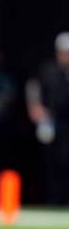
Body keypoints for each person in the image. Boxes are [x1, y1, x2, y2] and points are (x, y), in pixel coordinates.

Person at [26, 32, 69, 206]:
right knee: (51, 161)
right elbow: (33, 87)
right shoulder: (47, 70)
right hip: (51, 122)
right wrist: (34, 107)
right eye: (63, 52)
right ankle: (53, 199)